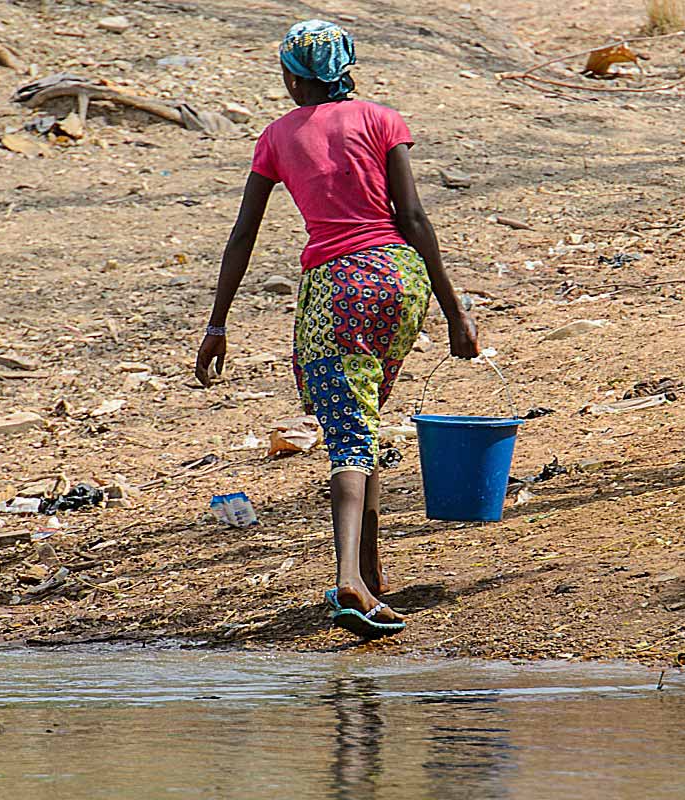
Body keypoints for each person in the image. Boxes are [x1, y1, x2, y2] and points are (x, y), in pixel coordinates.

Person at [195, 19, 479, 639]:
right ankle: (372, 579)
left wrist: (218, 322)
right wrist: (454, 310)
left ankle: (348, 578)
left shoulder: (277, 136)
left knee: (348, 434)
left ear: (294, 78)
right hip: (400, 282)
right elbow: (412, 217)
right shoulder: (382, 120)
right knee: (364, 422)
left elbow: (242, 235)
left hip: (337, 289)